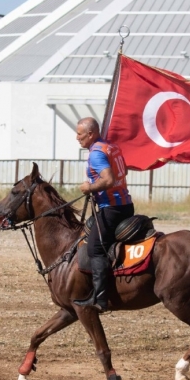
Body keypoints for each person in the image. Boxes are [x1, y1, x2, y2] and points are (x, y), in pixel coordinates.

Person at [74, 117, 134, 312]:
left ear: (90, 134)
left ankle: (100, 299)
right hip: (125, 204)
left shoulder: (96, 154)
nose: (77, 138)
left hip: (112, 208)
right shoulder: (111, 147)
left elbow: (108, 179)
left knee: (95, 249)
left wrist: (90, 187)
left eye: (80, 134)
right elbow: (123, 170)